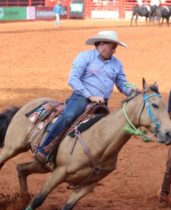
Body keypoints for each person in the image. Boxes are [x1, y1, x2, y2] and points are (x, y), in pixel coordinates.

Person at [34, 30, 140, 164]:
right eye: (113, 47)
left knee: (105, 132)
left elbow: (121, 84)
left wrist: (132, 91)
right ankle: (44, 150)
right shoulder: (84, 57)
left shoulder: (117, 64)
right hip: (81, 98)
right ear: (102, 44)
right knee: (68, 116)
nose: (114, 51)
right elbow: (73, 79)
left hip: (102, 104)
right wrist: (90, 96)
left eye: (115, 48)